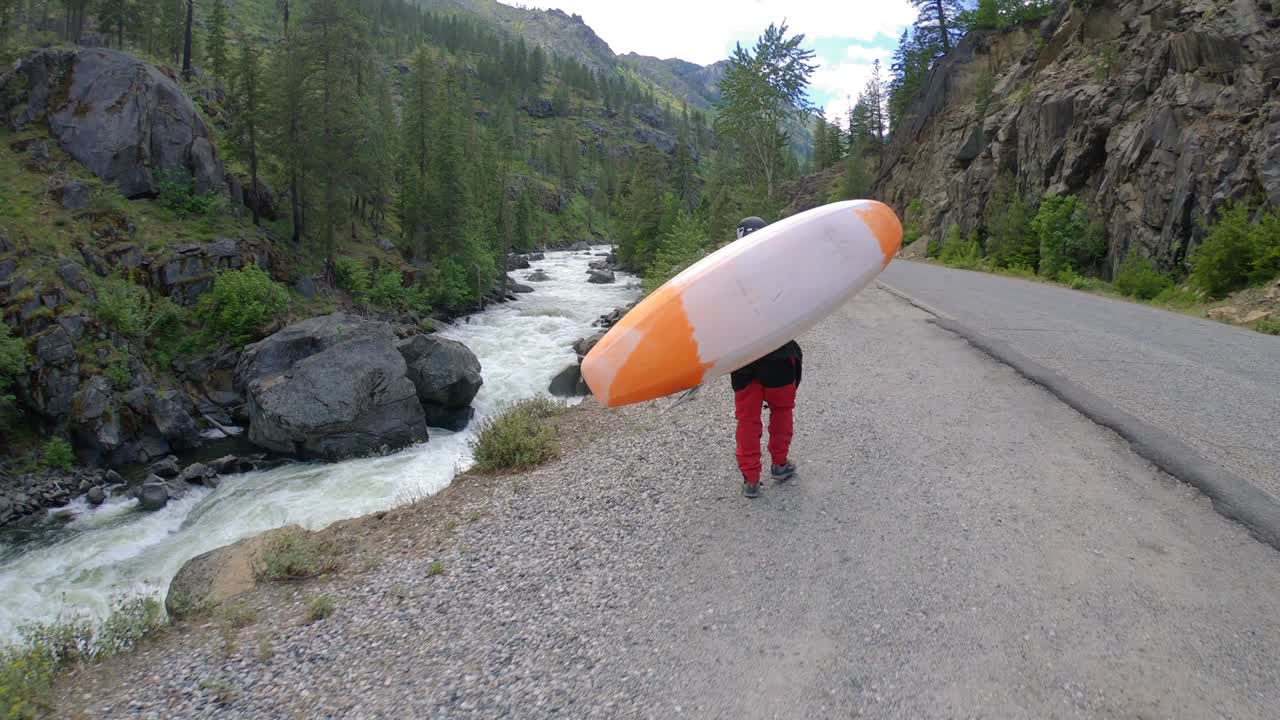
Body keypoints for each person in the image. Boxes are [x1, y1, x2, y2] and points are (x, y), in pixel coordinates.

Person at [729, 216, 801, 498]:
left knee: (748, 421)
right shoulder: (780, 270)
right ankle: (780, 465)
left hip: (744, 362)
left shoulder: (725, 275)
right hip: (779, 359)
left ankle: (750, 480)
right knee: (782, 412)